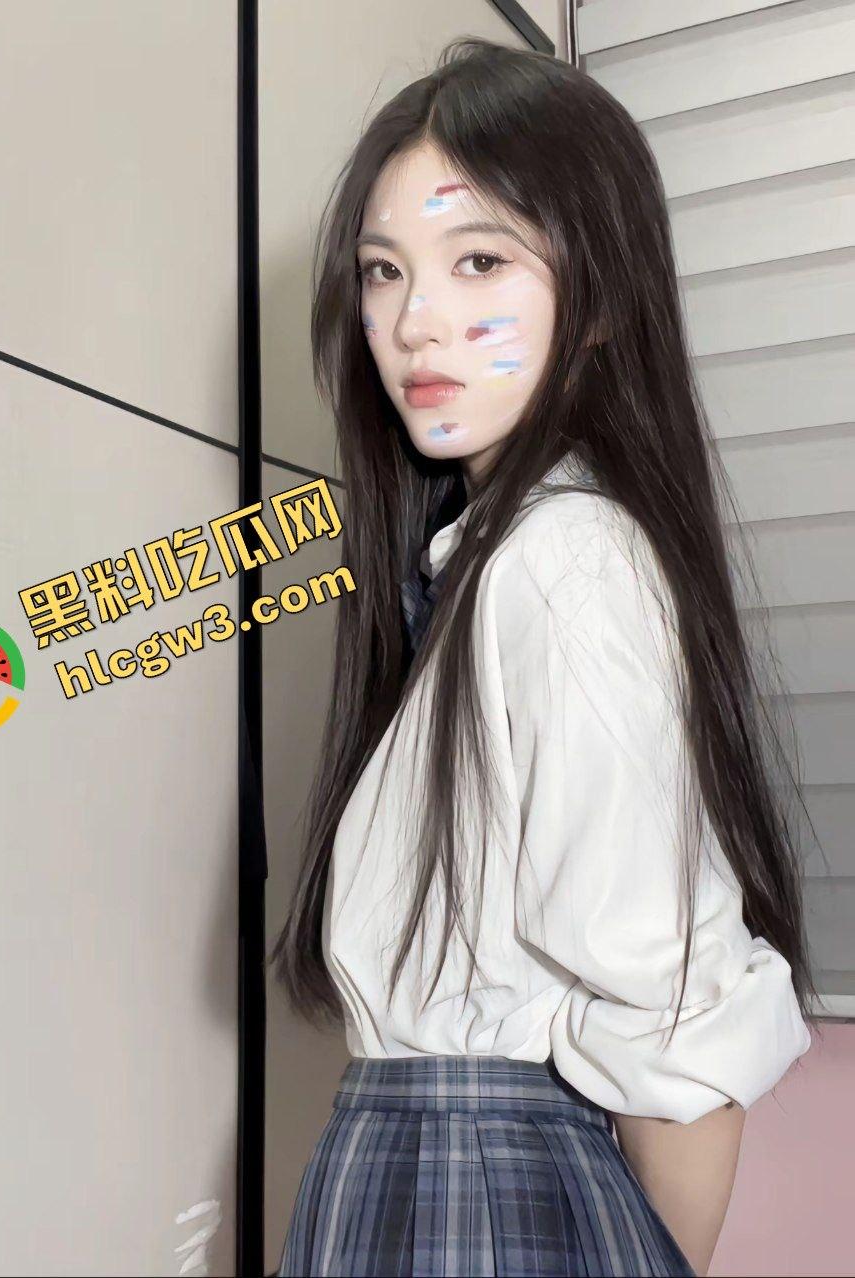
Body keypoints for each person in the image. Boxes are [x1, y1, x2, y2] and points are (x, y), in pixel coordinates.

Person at [268, 37, 818, 1278]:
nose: (416, 322)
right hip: (414, 1171)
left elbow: (674, 1015)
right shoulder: (487, 567)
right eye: (384, 271)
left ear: (602, 298)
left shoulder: (566, 566)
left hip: (474, 1187)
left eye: (480, 261)